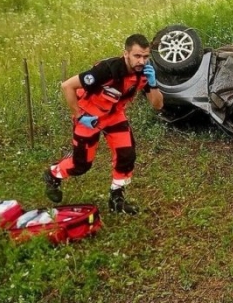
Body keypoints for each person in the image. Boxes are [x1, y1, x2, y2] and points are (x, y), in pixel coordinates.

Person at [43, 34, 163, 213]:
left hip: (114, 115)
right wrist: (79, 116)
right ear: (126, 54)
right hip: (89, 116)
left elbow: (157, 105)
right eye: (137, 56)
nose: (142, 61)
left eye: (146, 57)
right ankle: (53, 174)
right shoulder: (107, 70)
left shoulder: (145, 73)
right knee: (81, 164)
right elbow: (67, 86)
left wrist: (153, 84)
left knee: (126, 155)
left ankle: (117, 200)